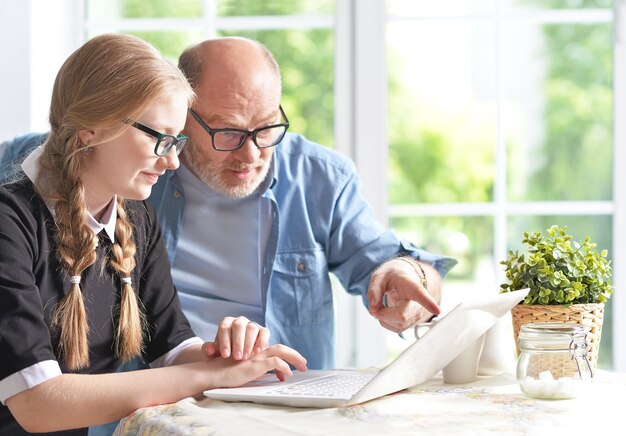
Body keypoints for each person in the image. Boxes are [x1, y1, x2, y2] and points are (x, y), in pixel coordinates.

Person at [0, 36, 456, 371]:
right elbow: (61, 144)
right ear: (183, 114)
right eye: (228, 131)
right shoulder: (121, 159)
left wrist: (408, 276)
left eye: (266, 128)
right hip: (136, 403)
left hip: (269, 392)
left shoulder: (320, 179)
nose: (252, 153)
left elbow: (384, 262)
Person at [0, 33, 306, 435]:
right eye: (159, 138)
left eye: (176, 140)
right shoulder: (9, 223)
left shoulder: (135, 215)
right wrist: (208, 377)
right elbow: (37, 403)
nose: (173, 161)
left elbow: (171, 346)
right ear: (91, 128)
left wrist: (228, 358)